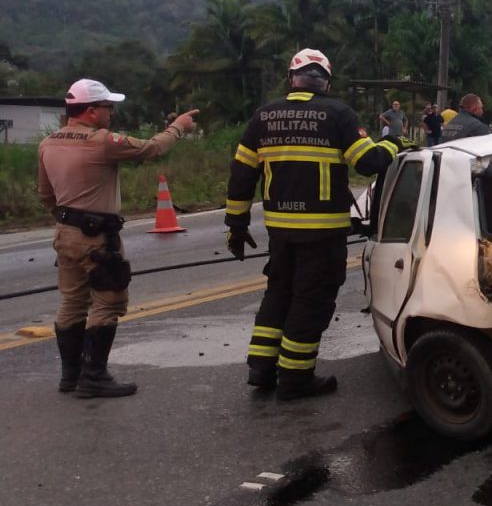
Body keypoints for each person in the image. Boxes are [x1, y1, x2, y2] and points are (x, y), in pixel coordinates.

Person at [225, 49, 402, 401]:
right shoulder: (337, 113)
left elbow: (241, 175)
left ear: (292, 79)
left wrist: (237, 225)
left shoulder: (263, 116)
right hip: (322, 231)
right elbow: (368, 163)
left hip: (281, 230)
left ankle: (261, 369)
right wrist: (394, 144)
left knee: (279, 293)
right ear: (326, 82)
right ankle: (295, 379)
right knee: (312, 300)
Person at [37, 79, 199, 398]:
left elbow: (45, 194)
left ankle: (70, 376)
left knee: (72, 301)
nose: (110, 113)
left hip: (65, 233)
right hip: (97, 237)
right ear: (92, 110)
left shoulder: (48, 143)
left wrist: (67, 217)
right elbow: (153, 148)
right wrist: (178, 127)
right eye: (108, 107)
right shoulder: (102, 141)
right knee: (109, 301)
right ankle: (94, 376)